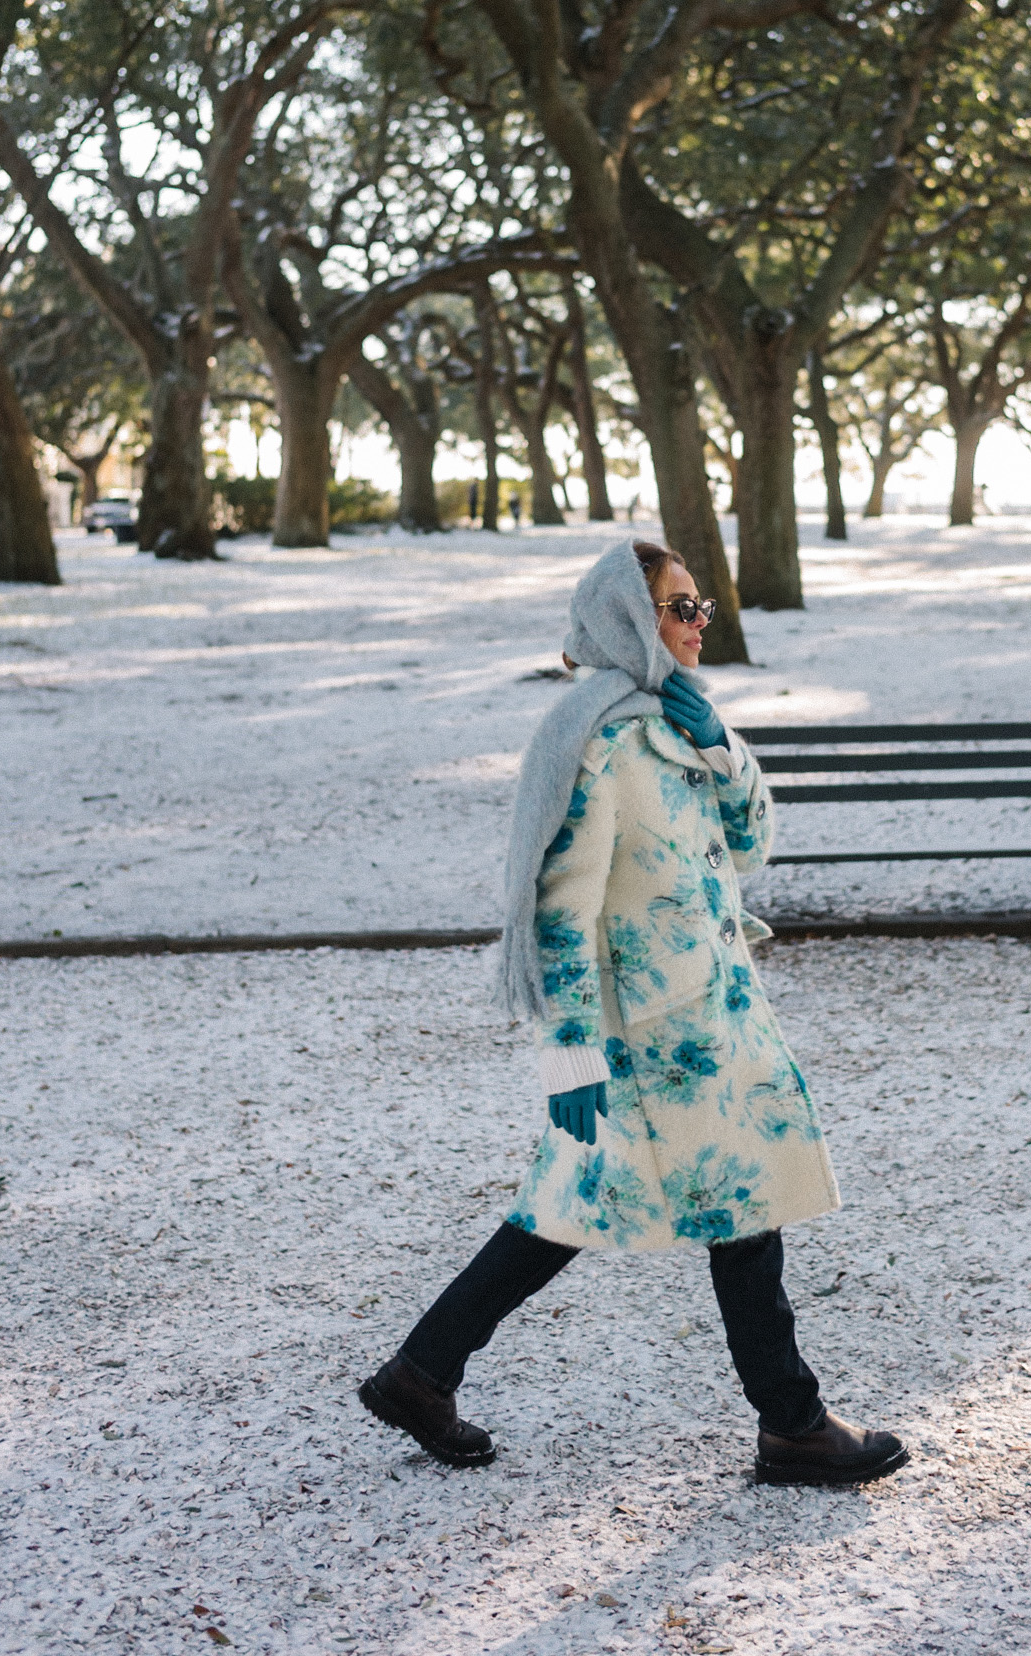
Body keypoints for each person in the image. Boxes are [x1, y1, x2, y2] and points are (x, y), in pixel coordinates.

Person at [359, 538, 907, 1488]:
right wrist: (568, 1057)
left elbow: (751, 847)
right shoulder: (596, 744)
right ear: (625, 619)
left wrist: (720, 745)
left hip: (712, 1013)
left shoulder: (673, 726)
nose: (699, 624)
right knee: (738, 1206)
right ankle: (793, 1422)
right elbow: (558, 916)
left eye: (701, 607)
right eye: (678, 608)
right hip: (653, 1035)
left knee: (577, 1209)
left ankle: (421, 1373)